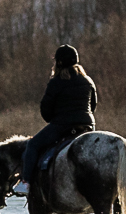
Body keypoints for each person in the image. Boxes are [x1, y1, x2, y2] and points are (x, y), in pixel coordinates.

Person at [17, 44, 97, 187]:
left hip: (62, 125)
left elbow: (46, 109)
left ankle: (25, 182)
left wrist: (55, 120)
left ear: (59, 63)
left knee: (33, 145)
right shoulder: (88, 81)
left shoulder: (56, 82)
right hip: (87, 126)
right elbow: (93, 106)